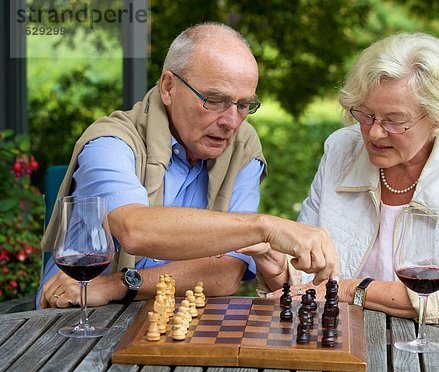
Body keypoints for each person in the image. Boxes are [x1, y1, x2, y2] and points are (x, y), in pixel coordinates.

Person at [37, 22, 338, 309]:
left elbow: (227, 273)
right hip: (74, 317)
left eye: (244, 105)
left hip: (168, 318)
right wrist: (265, 226)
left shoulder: (242, 147)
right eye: (215, 100)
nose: (231, 122)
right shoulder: (110, 143)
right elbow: (135, 229)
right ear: (169, 87)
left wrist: (120, 285)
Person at [246, 32, 439, 335]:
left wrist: (353, 291)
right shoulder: (342, 150)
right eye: (366, 115)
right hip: (347, 343)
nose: (375, 133)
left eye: (394, 120)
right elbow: (310, 281)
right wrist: (278, 268)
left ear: (437, 117)